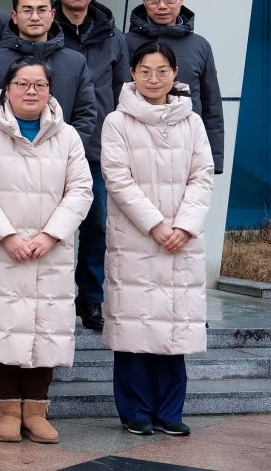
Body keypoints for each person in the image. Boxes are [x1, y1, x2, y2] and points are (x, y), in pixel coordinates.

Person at [0, 58, 92, 444]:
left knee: (45, 326)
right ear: (7, 89)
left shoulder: (68, 136)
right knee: (2, 325)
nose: (31, 91)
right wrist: (7, 235)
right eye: (22, 84)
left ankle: (36, 410)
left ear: (50, 91)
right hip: (1, 249)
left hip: (50, 250)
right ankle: (6, 409)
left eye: (39, 85)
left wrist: (51, 235)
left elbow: (80, 190)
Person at [0, 0, 103, 328]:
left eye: (42, 9)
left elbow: (87, 113)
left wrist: (61, 151)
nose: (34, 16)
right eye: (26, 10)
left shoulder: (75, 61)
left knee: (60, 265)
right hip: (4, 176)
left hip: (59, 174)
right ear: (14, 16)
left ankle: (86, 303)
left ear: (53, 14)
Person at [101, 42, 212, 438]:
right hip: (135, 238)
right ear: (132, 73)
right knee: (134, 325)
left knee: (173, 325)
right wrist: (155, 225)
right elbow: (117, 178)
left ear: (175, 73)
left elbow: (202, 176)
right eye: (145, 71)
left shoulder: (192, 122)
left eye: (162, 71)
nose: (153, 79)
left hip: (182, 239)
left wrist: (184, 225)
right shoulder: (117, 121)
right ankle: (134, 411)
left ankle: (169, 411)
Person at [54, 0, 127, 328]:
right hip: (49, 147)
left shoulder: (114, 37)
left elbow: (123, 92)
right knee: (52, 225)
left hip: (97, 149)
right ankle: (54, 298)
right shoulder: (46, 30)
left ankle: (91, 298)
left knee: (97, 225)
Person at [127, 0, 224, 175]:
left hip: (187, 149)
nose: (162, 5)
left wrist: (213, 161)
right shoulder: (124, 43)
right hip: (136, 149)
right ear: (143, 0)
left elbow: (211, 105)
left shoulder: (200, 46)